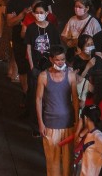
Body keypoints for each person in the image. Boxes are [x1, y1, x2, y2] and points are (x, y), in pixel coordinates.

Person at [35, 45, 79, 176]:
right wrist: (41, 123)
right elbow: (38, 99)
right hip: (50, 124)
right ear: (51, 59)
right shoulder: (43, 76)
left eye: (63, 59)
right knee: (52, 161)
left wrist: (77, 121)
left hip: (68, 124)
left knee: (68, 162)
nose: (61, 62)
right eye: (58, 60)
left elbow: (75, 100)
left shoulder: (70, 75)